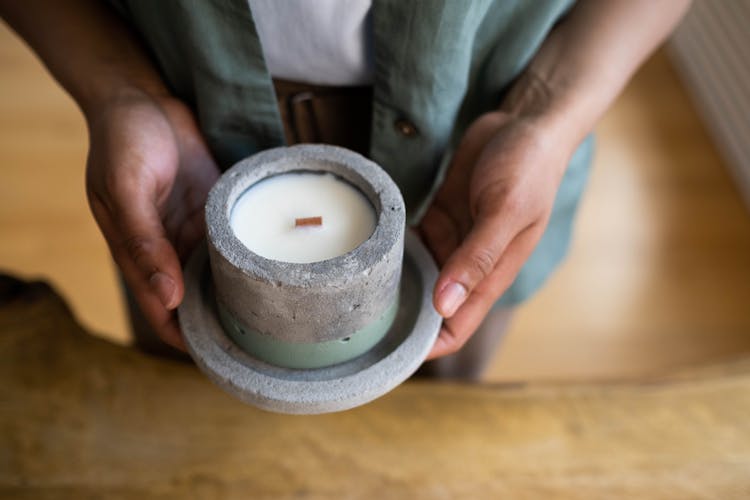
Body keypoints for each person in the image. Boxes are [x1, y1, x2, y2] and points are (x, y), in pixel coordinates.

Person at [1, 0, 690, 379]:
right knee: (197, 405)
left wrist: (546, 113)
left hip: (483, 140)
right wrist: (117, 89)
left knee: (435, 414)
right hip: (186, 152)